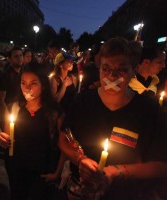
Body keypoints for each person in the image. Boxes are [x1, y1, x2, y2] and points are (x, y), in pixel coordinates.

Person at [59, 37, 167, 199]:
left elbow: (161, 165)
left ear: (133, 71)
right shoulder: (83, 102)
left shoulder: (149, 110)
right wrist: (81, 160)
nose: (112, 76)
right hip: (81, 192)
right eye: (106, 68)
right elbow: (63, 139)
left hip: (125, 194)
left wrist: (116, 172)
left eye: (122, 69)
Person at [0, 63, 66, 200]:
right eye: (23, 83)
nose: (27, 88)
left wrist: (57, 173)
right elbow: (6, 136)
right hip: (17, 168)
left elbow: (63, 145)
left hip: (42, 171)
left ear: (43, 85)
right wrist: (2, 139)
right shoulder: (14, 108)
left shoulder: (54, 112)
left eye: (33, 83)